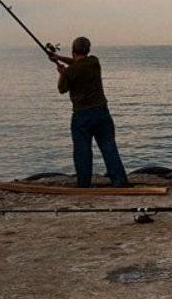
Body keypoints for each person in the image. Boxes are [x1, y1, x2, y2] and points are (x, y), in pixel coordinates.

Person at [50, 36, 130, 187]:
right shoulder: (94, 62)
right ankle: (120, 182)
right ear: (88, 50)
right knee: (109, 148)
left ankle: (84, 184)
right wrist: (59, 58)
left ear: (73, 50)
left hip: (81, 116)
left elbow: (62, 89)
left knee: (82, 152)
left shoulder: (70, 72)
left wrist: (61, 73)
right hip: (102, 112)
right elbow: (79, 62)